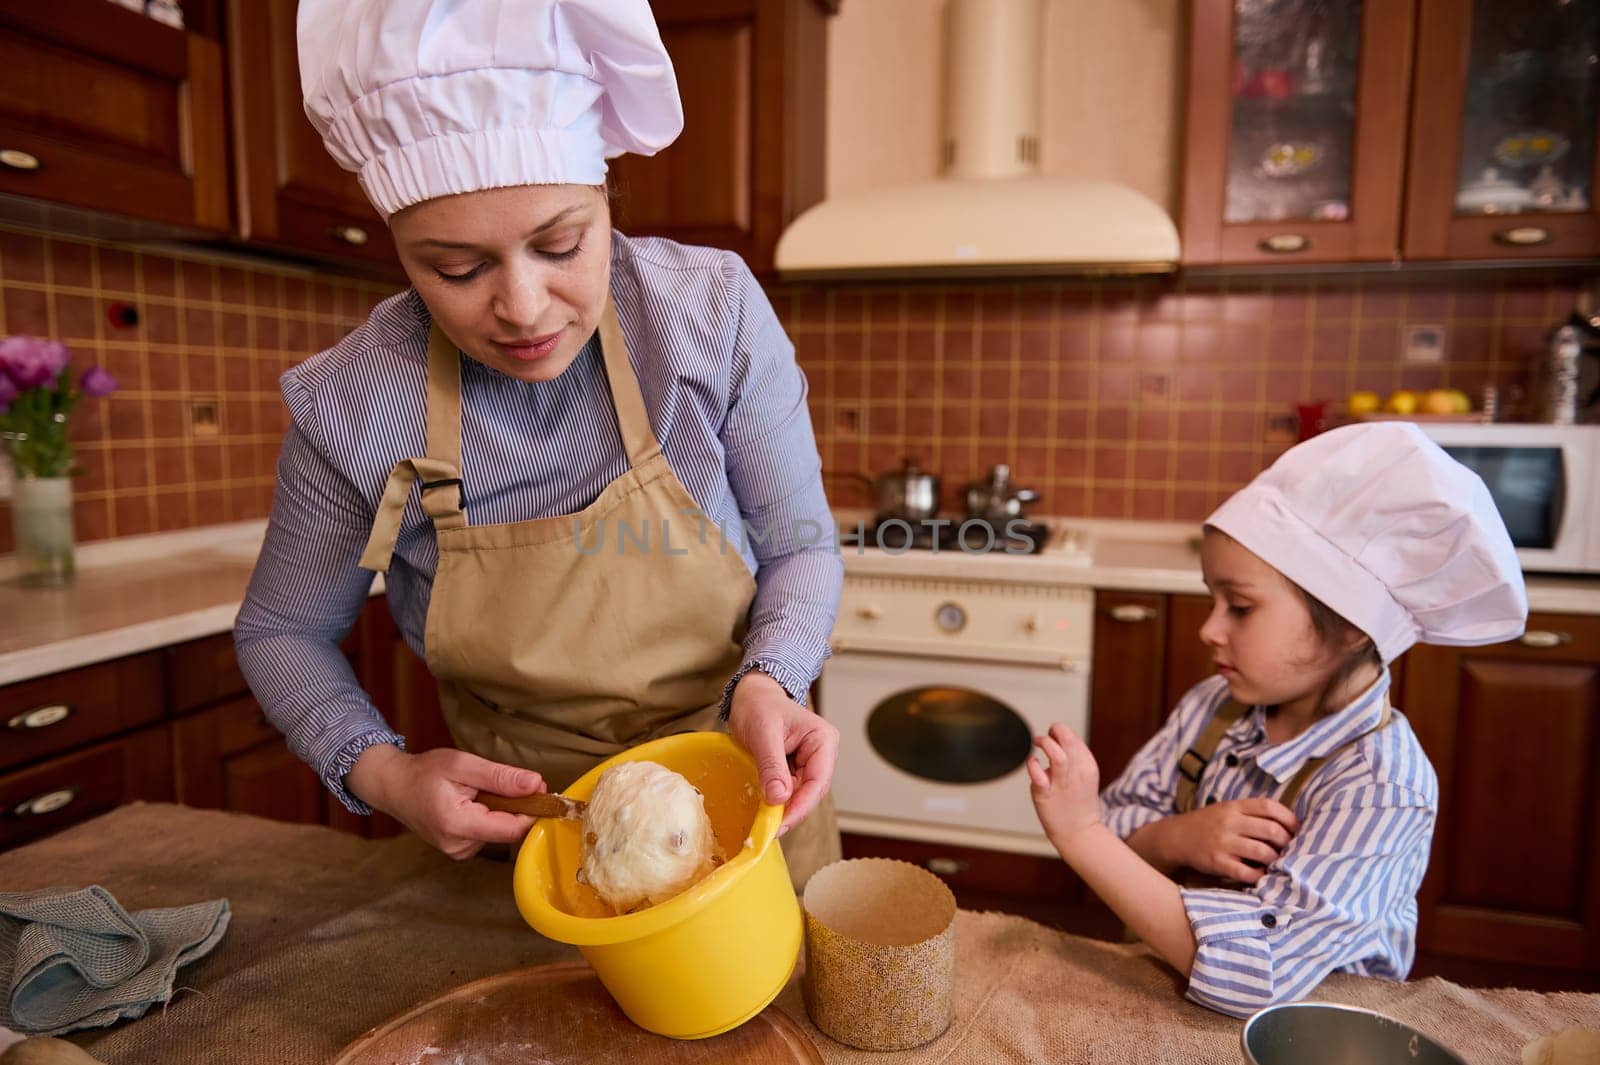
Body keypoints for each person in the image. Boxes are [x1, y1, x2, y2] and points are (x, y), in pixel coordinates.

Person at [232, 0, 843, 886]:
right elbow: (283, 629)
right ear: (398, 249)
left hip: (751, 789)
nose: (522, 308)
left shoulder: (707, 315)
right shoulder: (356, 404)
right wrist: (386, 771)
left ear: (605, 195)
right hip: (536, 837)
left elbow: (801, 547)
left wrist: (771, 681)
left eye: (561, 244)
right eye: (456, 268)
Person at [1026, 422, 1527, 1017]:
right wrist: (1177, 837)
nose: (1209, 629)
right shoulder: (1213, 706)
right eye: (1212, 600)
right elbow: (1124, 818)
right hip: (1161, 1000)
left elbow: (1259, 977)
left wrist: (1082, 835)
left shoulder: (1382, 786)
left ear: (1348, 625)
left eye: (1239, 607)